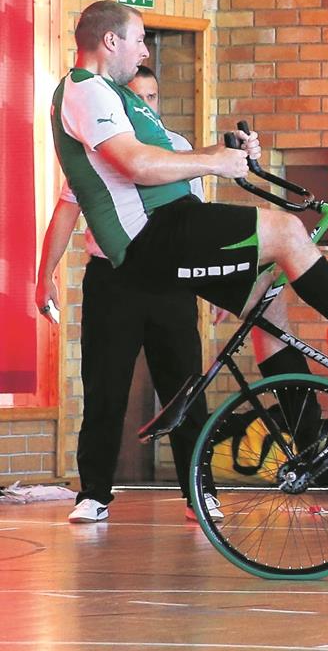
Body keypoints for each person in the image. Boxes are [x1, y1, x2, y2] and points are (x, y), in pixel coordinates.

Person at [48, 2, 328, 487]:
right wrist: (216, 164)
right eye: (138, 39)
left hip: (171, 230)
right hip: (147, 240)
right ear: (110, 41)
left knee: (269, 295)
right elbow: (136, 166)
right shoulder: (86, 92)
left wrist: (229, 154)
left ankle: (306, 434)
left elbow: (174, 158)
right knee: (285, 232)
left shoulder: (119, 100)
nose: (144, 49)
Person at [37, 66, 221, 523]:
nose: (146, 104)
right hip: (112, 278)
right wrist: (44, 275)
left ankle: (200, 493)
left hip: (170, 278)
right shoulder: (100, 149)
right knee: (105, 387)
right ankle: (93, 493)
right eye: (137, 96)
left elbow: (194, 221)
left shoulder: (180, 150)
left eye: (153, 96)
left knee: (184, 387)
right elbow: (65, 213)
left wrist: (213, 282)